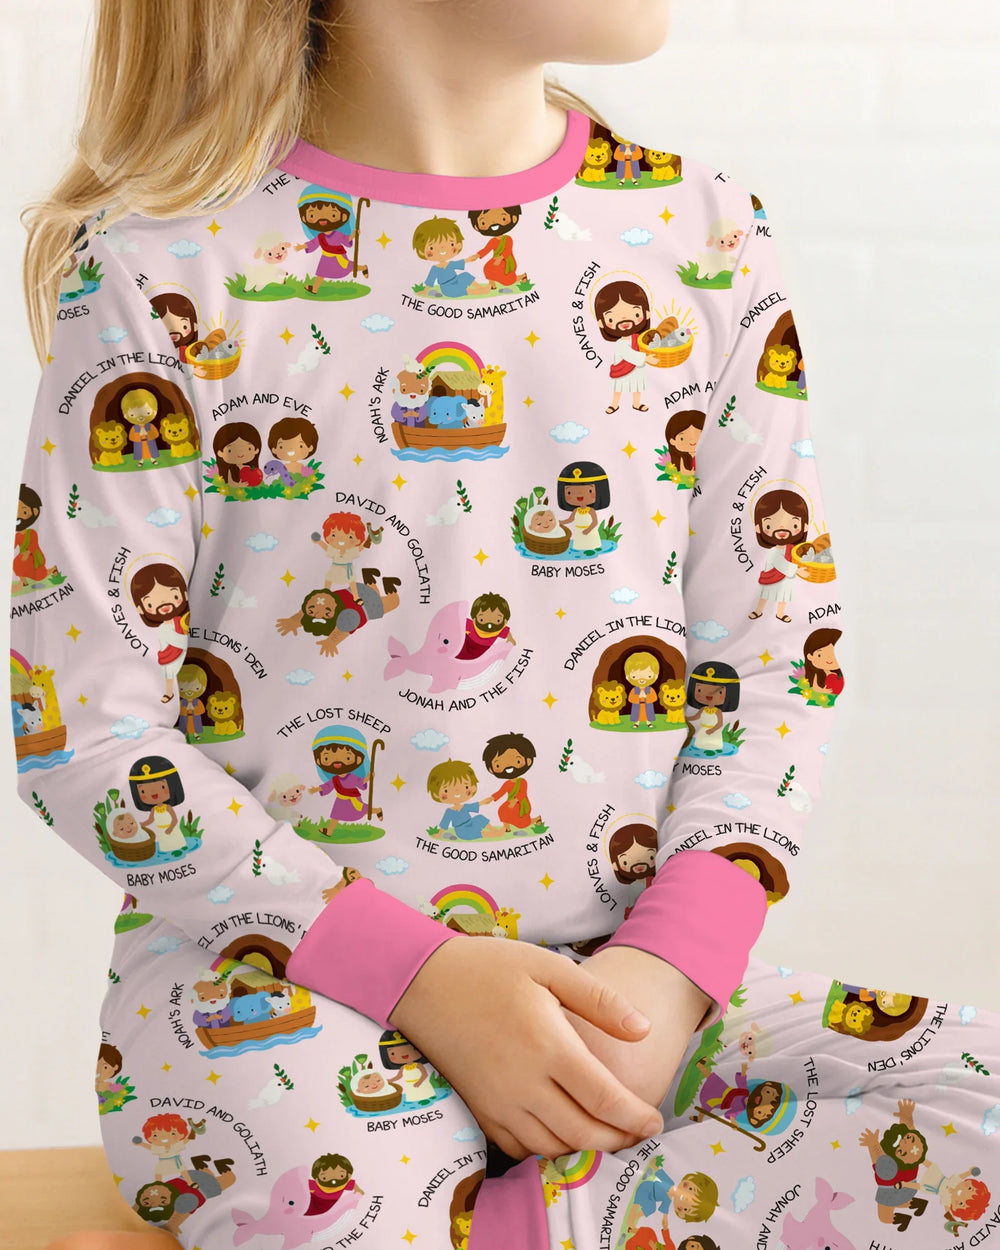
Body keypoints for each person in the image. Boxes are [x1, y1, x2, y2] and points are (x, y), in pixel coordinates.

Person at [14, 4, 998, 1250]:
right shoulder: (163, 270)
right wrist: (420, 975)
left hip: (628, 987)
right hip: (276, 1001)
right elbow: (85, 731)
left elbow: (775, 656)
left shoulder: (703, 232)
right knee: (345, 1213)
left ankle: (516, 1221)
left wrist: (666, 975)